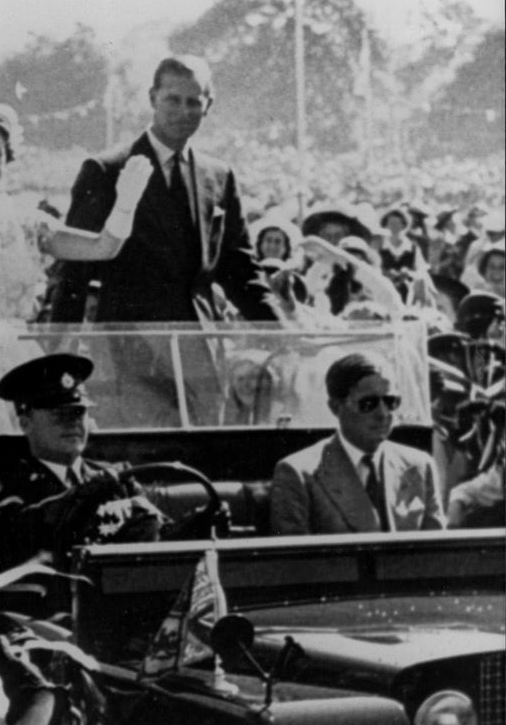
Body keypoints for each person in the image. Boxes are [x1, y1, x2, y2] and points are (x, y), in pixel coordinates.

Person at [49, 55, 278, 426]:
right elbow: (75, 271)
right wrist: (59, 351)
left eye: (194, 101)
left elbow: (239, 268)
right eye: (173, 99)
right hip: (129, 349)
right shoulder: (106, 170)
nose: (183, 111)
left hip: (202, 350)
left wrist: (280, 331)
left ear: (209, 105)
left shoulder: (218, 175)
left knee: (201, 451)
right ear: (153, 97)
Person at [0, 103, 153, 325]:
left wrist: (125, 204)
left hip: (20, 355)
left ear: (7, 160)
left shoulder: (28, 221)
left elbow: (103, 247)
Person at [0, 352, 167, 580]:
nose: (73, 423)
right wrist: (81, 496)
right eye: (59, 415)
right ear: (26, 424)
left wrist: (201, 522)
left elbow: (162, 539)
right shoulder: (8, 484)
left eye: (79, 412)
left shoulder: (115, 478)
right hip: (43, 609)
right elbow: (9, 534)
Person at [270, 352, 446, 535]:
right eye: (368, 404)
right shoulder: (299, 474)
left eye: (391, 401)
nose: (383, 414)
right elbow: (296, 562)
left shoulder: (420, 467)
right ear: (336, 407)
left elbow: (437, 556)